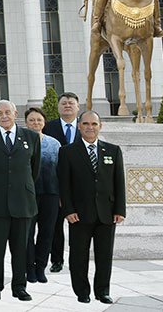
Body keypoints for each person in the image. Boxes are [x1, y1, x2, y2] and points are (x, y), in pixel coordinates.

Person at [0, 100, 40, 301]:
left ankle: (19, 286)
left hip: (23, 202)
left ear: (15, 113)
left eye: (7, 112)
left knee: (21, 249)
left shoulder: (31, 137)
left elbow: (34, 169)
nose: (4, 116)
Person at [58, 110, 125, 304]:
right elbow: (64, 185)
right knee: (78, 256)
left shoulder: (112, 150)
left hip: (107, 214)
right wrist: (68, 210)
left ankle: (102, 291)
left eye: (94, 124)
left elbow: (119, 182)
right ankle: (82, 292)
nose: (90, 127)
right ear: (79, 126)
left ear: (100, 126)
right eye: (86, 124)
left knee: (104, 256)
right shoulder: (68, 152)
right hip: (79, 214)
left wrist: (120, 210)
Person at [43, 91, 81, 273]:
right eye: (64, 103)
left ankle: (78, 258)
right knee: (55, 225)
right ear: (58, 107)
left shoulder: (86, 127)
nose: (67, 105)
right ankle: (56, 260)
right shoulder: (49, 127)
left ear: (77, 107)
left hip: (80, 186)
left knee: (79, 224)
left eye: (71, 103)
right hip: (55, 184)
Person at [25, 106, 61, 284]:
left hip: (51, 193)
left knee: (47, 232)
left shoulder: (54, 144)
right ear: (26, 123)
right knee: (27, 233)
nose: (35, 123)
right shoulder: (21, 142)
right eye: (31, 120)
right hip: (28, 195)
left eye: (38, 120)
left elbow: (61, 171)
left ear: (44, 122)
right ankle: (29, 269)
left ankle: (41, 267)